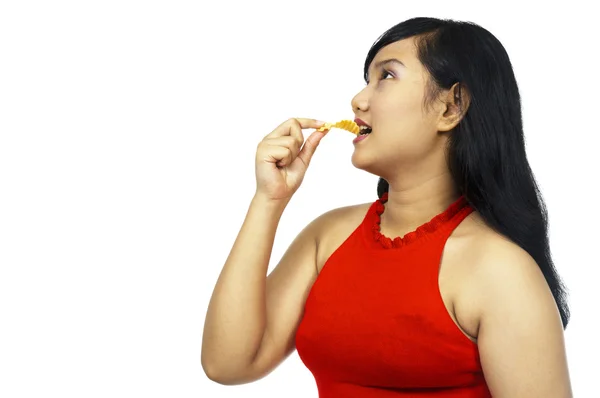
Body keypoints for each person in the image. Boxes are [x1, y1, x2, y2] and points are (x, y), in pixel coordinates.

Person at [201, 17, 572, 397]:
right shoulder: (327, 237)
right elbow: (227, 363)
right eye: (367, 80)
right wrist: (269, 201)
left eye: (387, 76)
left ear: (451, 107)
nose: (359, 100)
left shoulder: (500, 271)